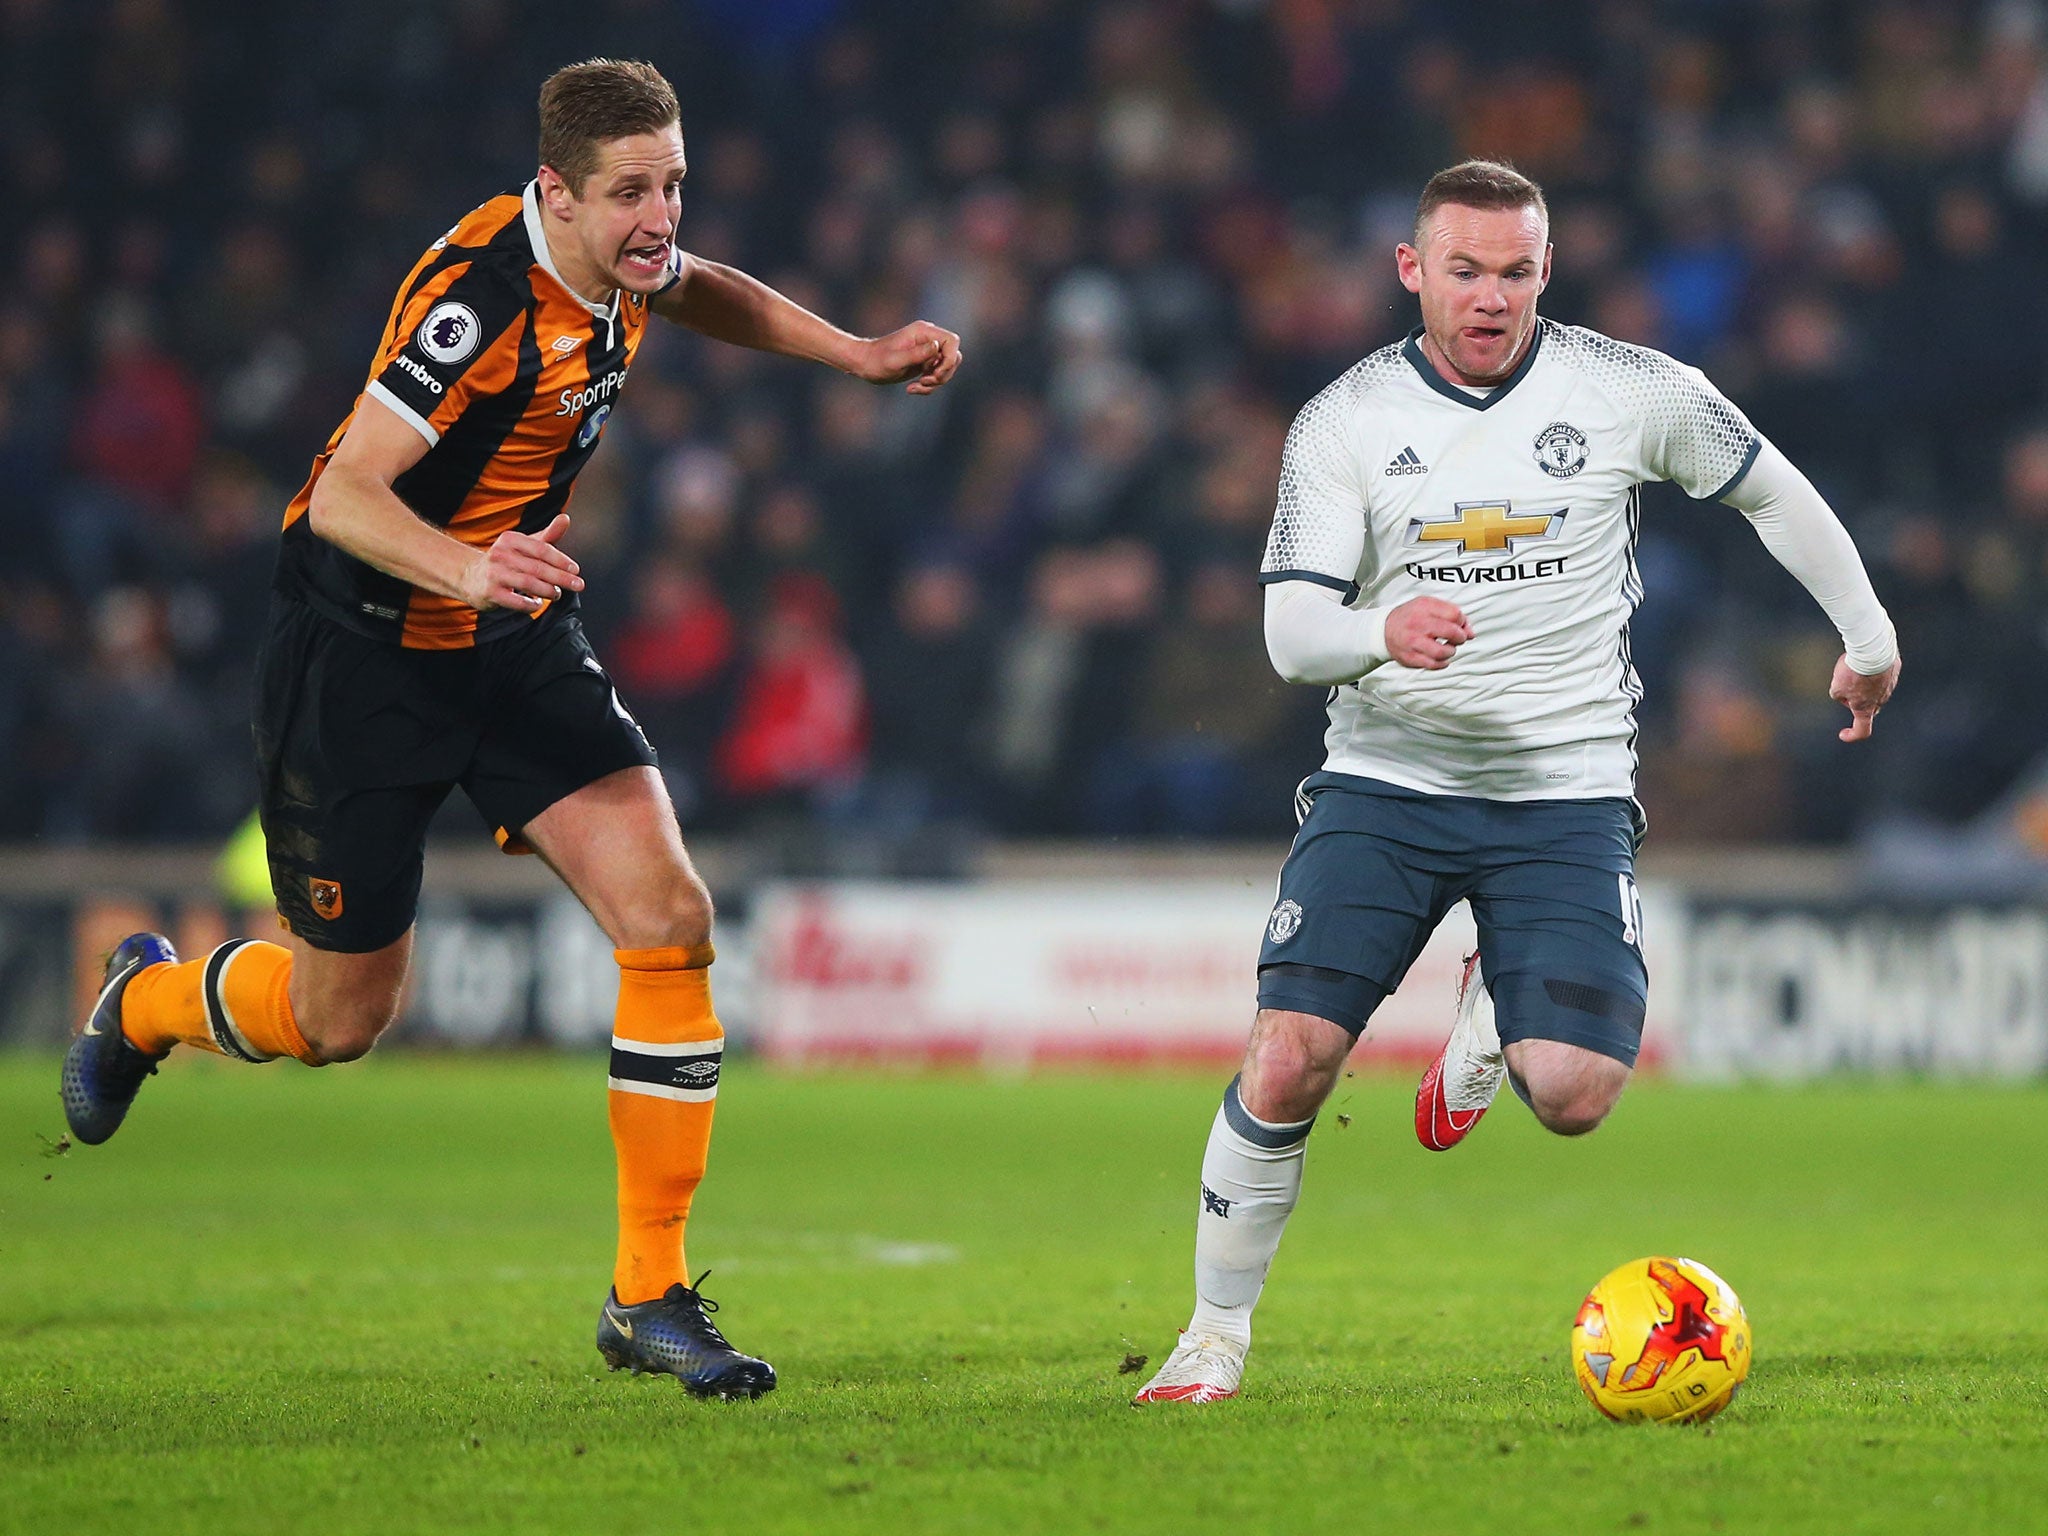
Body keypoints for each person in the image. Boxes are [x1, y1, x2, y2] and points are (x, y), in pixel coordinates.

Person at [60, 58, 961, 1401]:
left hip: (507, 632)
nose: (660, 218)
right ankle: (147, 1003)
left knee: (669, 918)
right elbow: (343, 498)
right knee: (341, 1015)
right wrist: (469, 565)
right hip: (363, 656)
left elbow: (697, 284)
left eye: (674, 184)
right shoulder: (477, 302)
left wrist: (850, 350)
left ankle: (648, 1293)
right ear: (555, 191)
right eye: (631, 195)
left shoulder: (627, 255)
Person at [1132, 160, 1898, 1405]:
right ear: (1410, 271)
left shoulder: (1631, 389)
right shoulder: (1345, 419)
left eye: (1514, 272)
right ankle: (1212, 1335)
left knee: (1575, 1096)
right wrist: (1384, 631)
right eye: (1463, 271)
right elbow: (1287, 636)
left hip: (1563, 794)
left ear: (1546, 271)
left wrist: (1865, 639)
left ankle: (1505, 989)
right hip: (1385, 781)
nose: (1488, 299)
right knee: (1285, 1059)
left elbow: (1771, 491)